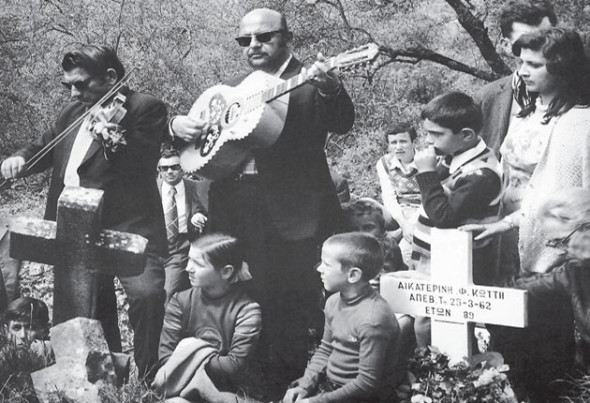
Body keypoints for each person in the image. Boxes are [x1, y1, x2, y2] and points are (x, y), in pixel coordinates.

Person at [169, 7, 355, 389]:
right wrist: (179, 126)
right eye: (245, 40)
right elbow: (198, 143)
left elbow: (342, 121)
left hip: (289, 211)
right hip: (232, 206)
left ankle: (284, 384)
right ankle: (239, 376)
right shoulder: (236, 87)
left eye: (263, 37)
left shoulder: (310, 80)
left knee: (285, 298)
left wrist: (332, 88)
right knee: (238, 293)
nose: (252, 45)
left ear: (287, 39)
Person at [0, 45, 168, 379]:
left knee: (147, 297)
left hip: (129, 227)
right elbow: (45, 145)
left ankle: (149, 377)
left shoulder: (144, 109)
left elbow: (141, 163)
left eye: (82, 84)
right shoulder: (72, 111)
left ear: (110, 77)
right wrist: (19, 158)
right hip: (75, 227)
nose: (75, 93)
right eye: (69, 86)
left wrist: (111, 138)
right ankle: (105, 375)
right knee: (92, 307)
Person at [462, 28, 590, 402]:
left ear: (563, 69)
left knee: (553, 372)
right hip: (525, 256)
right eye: (521, 62)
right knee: (525, 362)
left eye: (534, 64)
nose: (523, 71)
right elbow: (537, 194)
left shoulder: (582, 125)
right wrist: (500, 224)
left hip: (565, 272)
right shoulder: (539, 114)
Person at [282, 232, 402, 403]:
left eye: (326, 264)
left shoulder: (372, 319)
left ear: (353, 275)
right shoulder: (333, 302)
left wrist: (315, 401)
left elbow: (367, 383)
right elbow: (325, 349)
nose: (319, 268)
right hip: (333, 388)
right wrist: (305, 385)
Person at [412, 92, 502, 286]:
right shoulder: (455, 153)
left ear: (466, 135)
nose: (428, 140)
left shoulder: (482, 176)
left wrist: (427, 172)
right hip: (439, 258)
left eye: (436, 134)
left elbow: (443, 217)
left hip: (463, 267)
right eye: (427, 132)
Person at [155, 234, 261, 399]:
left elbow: (234, 366)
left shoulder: (247, 310)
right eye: (189, 260)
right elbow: (166, 357)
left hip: (228, 392)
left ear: (226, 272)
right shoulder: (180, 301)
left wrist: (187, 351)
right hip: (184, 387)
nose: (188, 268)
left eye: (198, 263)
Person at [513, 188, 590, 371]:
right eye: (554, 244)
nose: (560, 251)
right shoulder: (573, 271)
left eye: (562, 241)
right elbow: (525, 287)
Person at [476, 0, 557, 156]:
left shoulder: (579, 94)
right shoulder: (485, 98)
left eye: (546, 38)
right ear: (506, 45)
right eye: (527, 40)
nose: (539, 47)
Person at [157, 148, 208, 303]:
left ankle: (163, 327)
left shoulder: (196, 187)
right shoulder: (151, 189)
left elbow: (204, 211)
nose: (170, 171)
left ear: (182, 168)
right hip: (153, 252)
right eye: (164, 168)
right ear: (159, 170)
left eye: (175, 167)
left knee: (166, 293)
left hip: (177, 251)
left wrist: (198, 216)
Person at [375, 123, 421, 265]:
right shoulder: (384, 163)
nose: (398, 147)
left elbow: (429, 199)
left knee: (403, 252)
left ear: (414, 142)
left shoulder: (427, 160)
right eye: (393, 143)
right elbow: (389, 198)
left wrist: (410, 225)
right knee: (366, 207)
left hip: (421, 211)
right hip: (397, 212)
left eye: (403, 141)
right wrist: (404, 224)